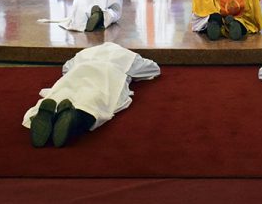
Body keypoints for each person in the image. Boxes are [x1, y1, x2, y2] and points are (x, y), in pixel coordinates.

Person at [22, 42, 161, 147]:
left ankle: (48, 114)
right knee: (95, 102)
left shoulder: (84, 53)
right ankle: (74, 117)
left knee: (63, 92)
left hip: (78, 72)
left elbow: (66, 69)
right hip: (108, 74)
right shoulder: (127, 56)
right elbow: (153, 69)